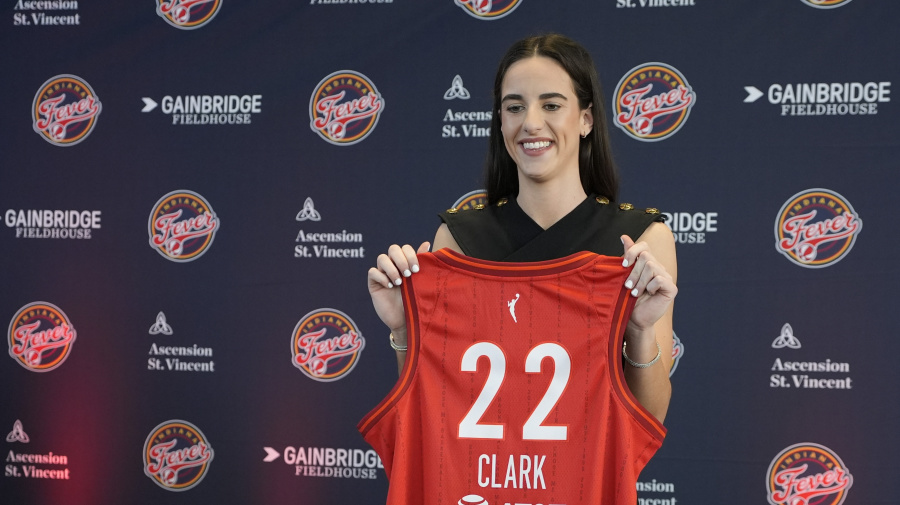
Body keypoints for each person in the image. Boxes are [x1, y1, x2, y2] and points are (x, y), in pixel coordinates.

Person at [367, 33, 676, 424]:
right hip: (478, 482)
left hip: (585, 483)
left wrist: (640, 329)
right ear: (500, 120)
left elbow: (648, 422)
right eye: (515, 107)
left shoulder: (643, 240)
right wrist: (404, 330)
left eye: (551, 105)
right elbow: (431, 414)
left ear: (586, 119)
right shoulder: (459, 239)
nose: (530, 123)